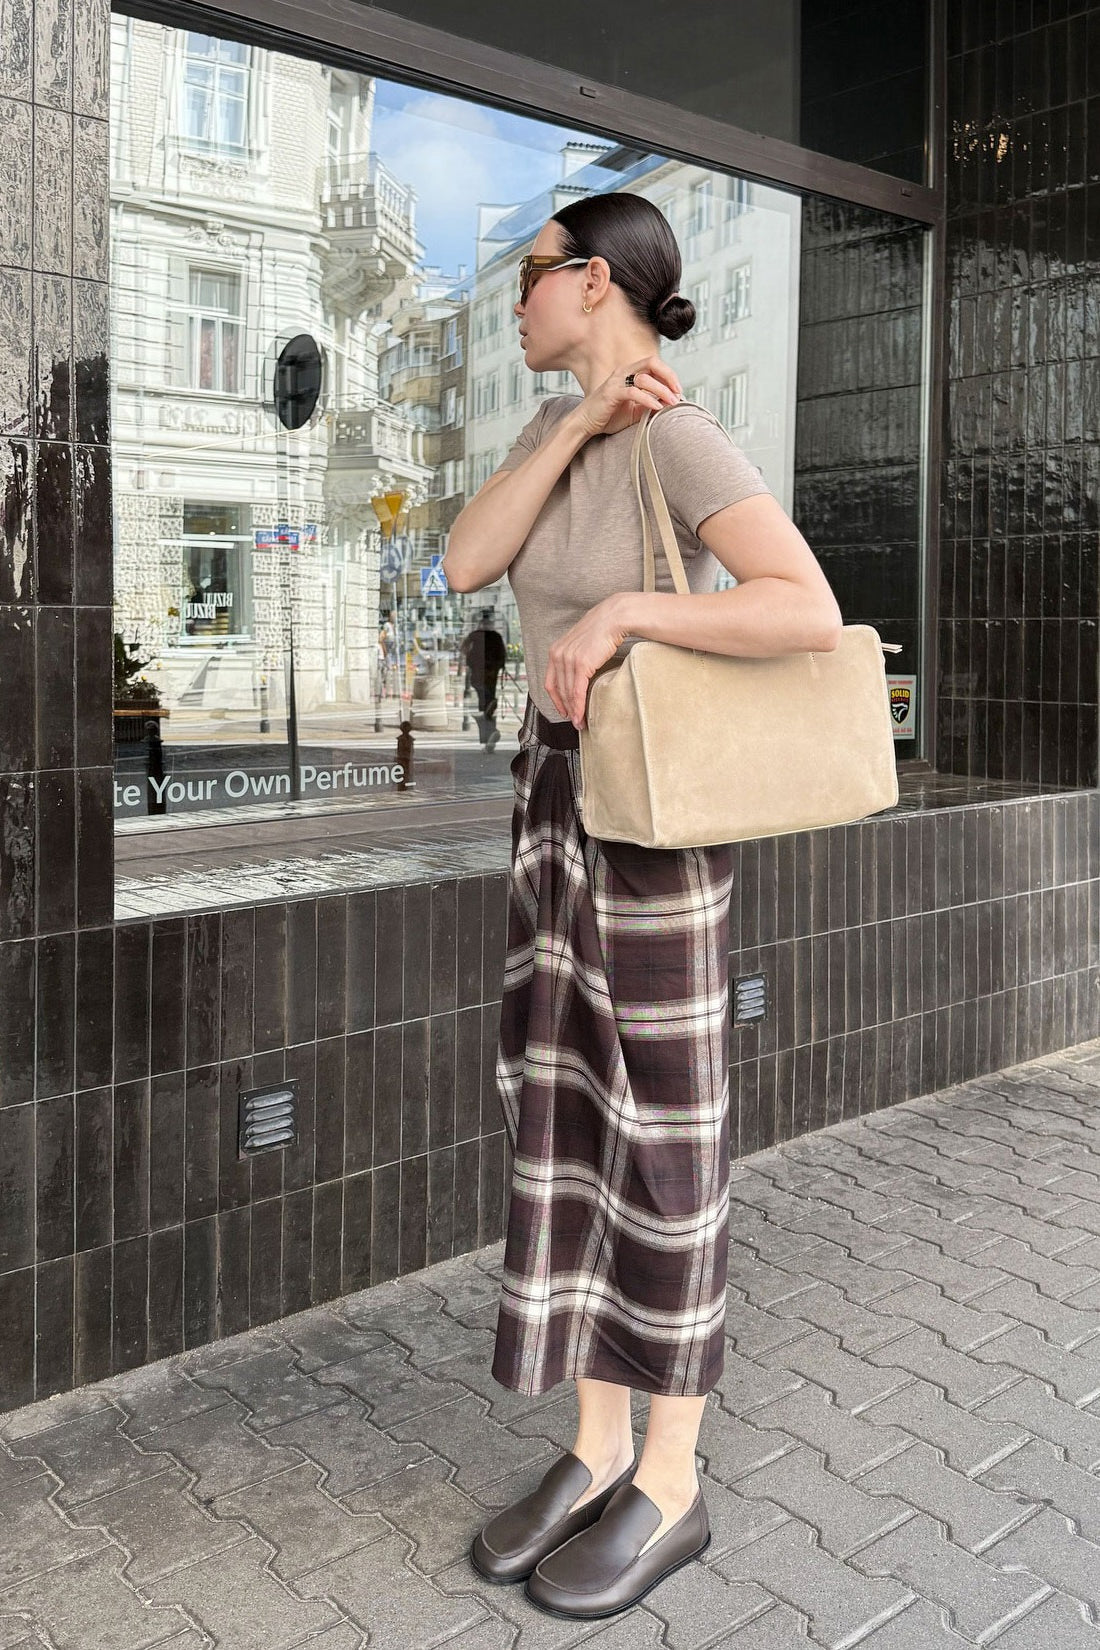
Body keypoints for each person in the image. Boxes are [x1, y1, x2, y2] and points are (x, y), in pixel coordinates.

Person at [443, 192, 842, 1619]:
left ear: (595, 281)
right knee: (566, 1113)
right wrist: (570, 431)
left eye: (531, 276)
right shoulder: (557, 433)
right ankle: (596, 1444)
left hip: (658, 815)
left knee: (665, 1134)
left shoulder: (682, 437)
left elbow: (801, 604)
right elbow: (463, 564)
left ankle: (670, 1478)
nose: (516, 301)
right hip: (555, 797)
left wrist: (624, 614)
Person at [460, 609, 507, 751]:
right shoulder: (495, 636)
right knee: (487, 701)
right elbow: (502, 656)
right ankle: (489, 736)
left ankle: (488, 737)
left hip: (479, 674)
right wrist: (499, 666)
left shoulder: (475, 635)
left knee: (483, 702)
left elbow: (463, 649)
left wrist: (470, 660)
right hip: (491, 673)